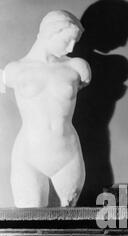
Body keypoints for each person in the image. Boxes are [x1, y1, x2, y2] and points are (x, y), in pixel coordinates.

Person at [2, 10, 91, 207]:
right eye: (67, 40)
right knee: (29, 222)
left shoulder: (78, 68)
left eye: (74, 42)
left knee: (68, 222)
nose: (71, 48)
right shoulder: (14, 70)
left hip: (67, 153)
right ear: (49, 33)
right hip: (29, 155)